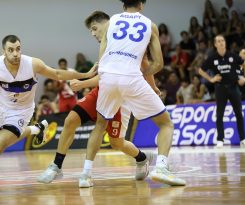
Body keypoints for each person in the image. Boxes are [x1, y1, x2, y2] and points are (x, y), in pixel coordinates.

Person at [0, 35, 95, 194]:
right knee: (5, 142)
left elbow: (57, 74)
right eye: (11, 50)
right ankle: (36, 129)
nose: (15, 53)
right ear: (4, 52)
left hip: (22, 111)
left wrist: (85, 75)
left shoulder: (32, 64)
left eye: (18, 49)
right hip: (3, 109)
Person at [37, 11, 156, 187]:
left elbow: (143, 63)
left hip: (120, 97)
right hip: (101, 91)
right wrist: (86, 79)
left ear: (107, 24)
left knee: (117, 142)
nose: (93, 34)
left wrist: (152, 86)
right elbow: (102, 77)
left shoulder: (125, 42)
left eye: (94, 29)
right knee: (71, 120)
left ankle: (142, 157)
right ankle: (57, 166)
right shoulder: (106, 45)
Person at [90, 0, 186, 186]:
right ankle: (162, 168)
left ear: (123, 4)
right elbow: (158, 64)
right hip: (132, 79)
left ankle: (86, 174)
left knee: (102, 127)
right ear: (141, 5)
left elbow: (101, 60)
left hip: (108, 79)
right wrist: (142, 76)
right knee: (166, 124)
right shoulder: (150, 25)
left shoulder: (112, 21)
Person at [198, 35, 245, 148]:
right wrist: (211, 79)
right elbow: (200, 70)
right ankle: (220, 139)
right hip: (220, 88)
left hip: (233, 87)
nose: (221, 43)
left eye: (222, 41)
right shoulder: (212, 58)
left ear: (225, 43)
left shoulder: (232, 55)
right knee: (220, 114)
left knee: (239, 114)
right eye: (218, 41)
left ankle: (243, 139)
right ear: (215, 44)